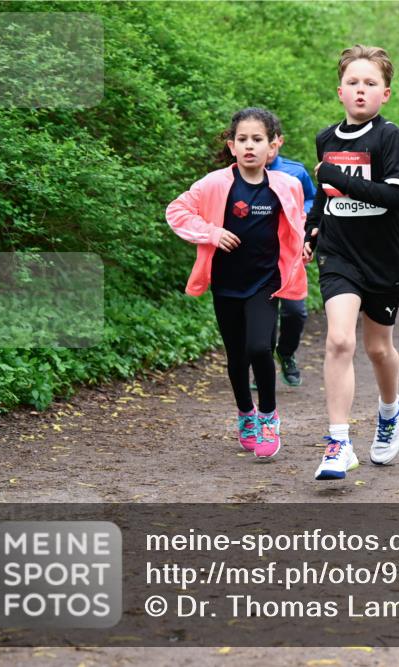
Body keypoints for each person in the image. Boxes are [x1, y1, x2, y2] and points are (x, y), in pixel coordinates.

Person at [166, 107, 307, 459]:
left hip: (265, 282)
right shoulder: (214, 184)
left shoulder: (287, 186)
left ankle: (269, 417)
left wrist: (303, 247)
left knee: (260, 347)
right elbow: (177, 211)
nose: (249, 146)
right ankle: (246, 414)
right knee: (236, 356)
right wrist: (211, 232)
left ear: (273, 147)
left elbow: (297, 223)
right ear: (231, 146)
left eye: (257, 140)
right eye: (242, 139)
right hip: (226, 282)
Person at [303, 45, 399, 480]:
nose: (361, 90)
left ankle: (390, 411)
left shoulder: (390, 138)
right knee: (339, 342)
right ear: (340, 91)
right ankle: (338, 442)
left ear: (385, 93)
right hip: (339, 254)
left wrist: (336, 177)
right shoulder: (326, 138)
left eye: (370, 83)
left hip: (383, 258)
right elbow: (323, 197)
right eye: (353, 83)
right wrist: (312, 228)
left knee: (377, 348)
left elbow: (398, 198)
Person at [267, 126, 317, 387]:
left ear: (278, 142)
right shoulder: (239, 171)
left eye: (267, 140)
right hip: (256, 256)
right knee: (260, 313)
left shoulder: (295, 171)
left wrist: (301, 216)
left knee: (294, 312)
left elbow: (312, 199)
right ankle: (261, 366)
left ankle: (286, 353)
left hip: (289, 254)